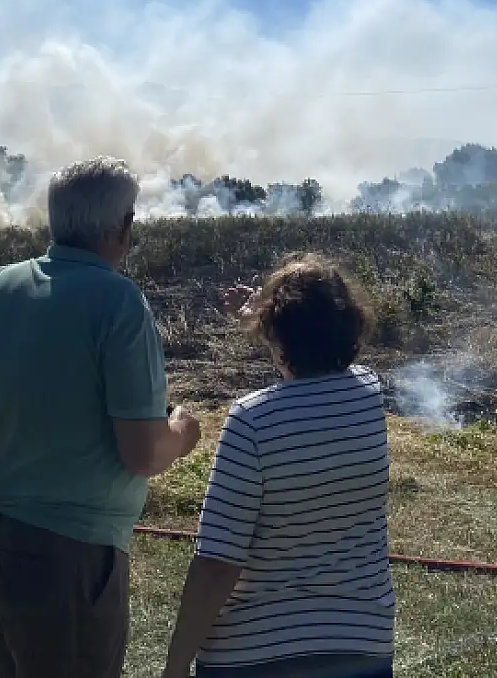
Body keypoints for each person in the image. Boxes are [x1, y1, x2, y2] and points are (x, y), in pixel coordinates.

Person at [0, 156, 202, 678]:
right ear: (124, 227)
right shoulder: (119, 302)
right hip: (66, 554)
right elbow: (142, 453)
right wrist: (183, 433)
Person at [162, 257, 395, 678]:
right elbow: (314, 332)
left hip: (257, 656)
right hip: (361, 647)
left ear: (277, 337)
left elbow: (218, 564)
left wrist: (176, 664)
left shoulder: (251, 421)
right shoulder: (367, 394)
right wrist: (260, 314)